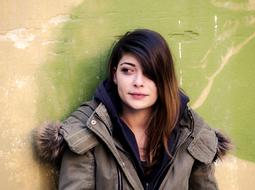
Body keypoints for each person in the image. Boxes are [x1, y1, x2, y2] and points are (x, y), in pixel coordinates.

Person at [35, 29, 231, 190]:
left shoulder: (192, 133)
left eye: (150, 74)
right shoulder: (86, 132)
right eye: (128, 70)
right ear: (114, 75)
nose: (138, 82)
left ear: (164, 79)